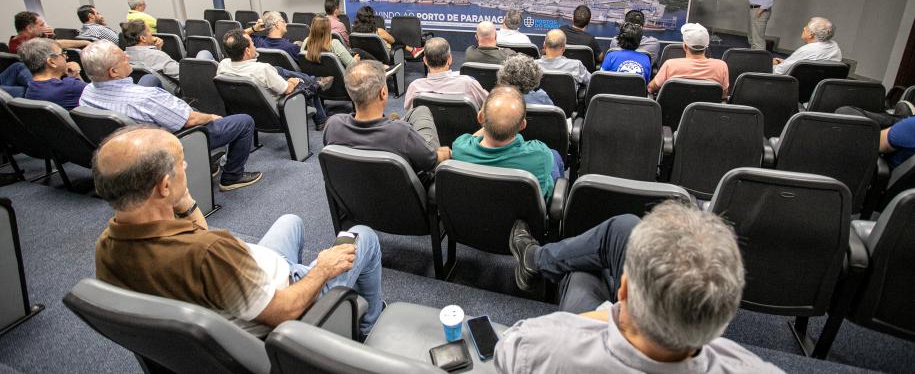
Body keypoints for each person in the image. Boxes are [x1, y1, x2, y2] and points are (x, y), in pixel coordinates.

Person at [93, 125, 383, 338]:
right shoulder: (211, 255)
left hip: (247, 279)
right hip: (285, 298)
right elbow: (283, 311)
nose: (186, 166)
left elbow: (198, 239)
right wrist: (322, 269)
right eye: (181, 162)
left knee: (290, 221)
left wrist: (184, 202)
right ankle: (369, 328)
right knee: (363, 235)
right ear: (164, 186)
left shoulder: (107, 245)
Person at [498, 201, 783, 373]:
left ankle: (534, 259)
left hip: (611, 327)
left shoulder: (538, 345)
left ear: (623, 291)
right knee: (622, 228)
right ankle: (536, 259)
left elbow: (505, 351)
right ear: (724, 318)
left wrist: (614, 313)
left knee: (583, 268)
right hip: (675, 332)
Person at [78, 40, 261, 191]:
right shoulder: (145, 98)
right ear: (113, 72)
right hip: (170, 142)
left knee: (149, 79)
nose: (127, 56)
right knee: (244, 121)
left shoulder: (87, 92)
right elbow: (190, 120)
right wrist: (211, 117)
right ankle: (232, 176)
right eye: (122, 57)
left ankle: (207, 161)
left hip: (126, 144)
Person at [323, 60, 450, 177]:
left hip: (355, 189)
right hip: (408, 190)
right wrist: (447, 152)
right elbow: (433, 162)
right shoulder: (401, 132)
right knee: (422, 112)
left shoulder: (333, 125)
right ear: (383, 93)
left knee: (418, 112)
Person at [451, 86, 563, 204]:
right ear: (523, 125)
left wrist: (491, 122)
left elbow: (469, 140)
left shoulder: (459, 148)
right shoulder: (540, 154)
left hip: (475, 210)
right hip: (522, 215)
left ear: (480, 117)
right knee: (554, 155)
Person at [219, 29, 330, 130]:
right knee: (309, 86)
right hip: (275, 112)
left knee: (277, 70)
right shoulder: (263, 69)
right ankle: (316, 84)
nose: (254, 45)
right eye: (252, 43)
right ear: (247, 51)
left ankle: (315, 82)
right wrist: (292, 81)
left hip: (244, 111)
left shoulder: (223, 65)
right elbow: (287, 89)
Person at [403, 37, 488, 110]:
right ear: (450, 59)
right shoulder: (468, 83)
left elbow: (409, 111)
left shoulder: (414, 87)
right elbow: (488, 104)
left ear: (425, 61)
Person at [648, 23, 729, 98]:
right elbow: (723, 95)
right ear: (706, 47)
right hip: (706, 109)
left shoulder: (670, 65)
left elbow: (651, 88)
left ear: (685, 47)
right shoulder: (721, 66)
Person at [122, 20, 185, 94]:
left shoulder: (122, 57)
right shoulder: (157, 56)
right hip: (171, 94)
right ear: (143, 38)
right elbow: (184, 76)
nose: (152, 34)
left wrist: (157, 49)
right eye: (149, 31)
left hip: (138, 93)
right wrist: (158, 52)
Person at [21, 38, 86, 109]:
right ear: (51, 62)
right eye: (62, 54)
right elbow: (92, 94)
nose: (66, 57)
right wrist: (77, 73)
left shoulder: (30, 88)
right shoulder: (71, 86)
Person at [772, 17, 841, 75]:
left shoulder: (806, 50)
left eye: (807, 27)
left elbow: (778, 72)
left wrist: (770, 65)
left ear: (811, 34)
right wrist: (785, 62)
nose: (804, 28)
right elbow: (817, 65)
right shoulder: (835, 46)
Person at [351, 6, 423, 58]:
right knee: (394, 41)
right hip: (382, 59)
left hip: (363, 58)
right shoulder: (378, 32)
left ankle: (413, 50)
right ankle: (412, 50)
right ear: (371, 18)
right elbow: (393, 41)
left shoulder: (354, 33)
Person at [8, 11, 89, 53]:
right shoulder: (22, 46)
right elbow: (56, 44)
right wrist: (86, 42)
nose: (46, 27)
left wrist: (46, 36)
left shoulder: (14, 41)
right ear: (29, 28)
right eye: (42, 25)